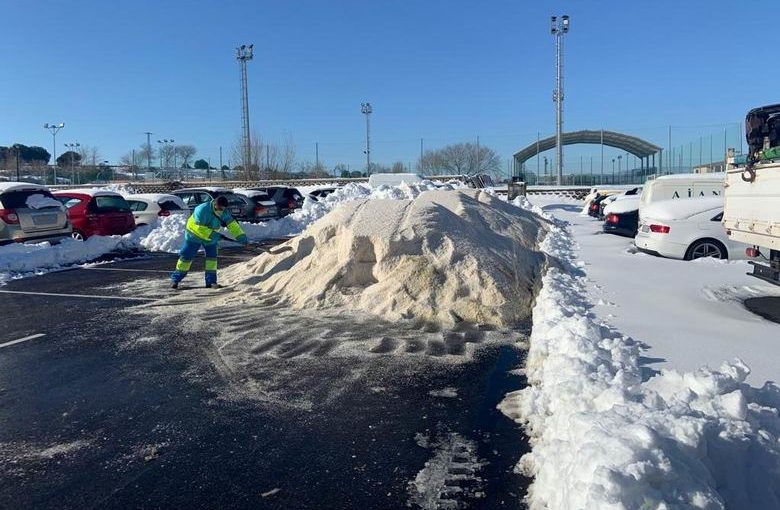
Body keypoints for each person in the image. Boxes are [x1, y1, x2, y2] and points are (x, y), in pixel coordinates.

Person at [170, 195, 248, 289]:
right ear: (215, 204)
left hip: (211, 238)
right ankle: (175, 280)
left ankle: (211, 282)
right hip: (194, 235)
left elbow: (232, 224)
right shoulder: (202, 209)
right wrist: (214, 235)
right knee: (186, 257)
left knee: (212, 259)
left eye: (223, 209)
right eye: (219, 208)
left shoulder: (224, 212)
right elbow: (199, 228)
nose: (221, 211)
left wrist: (241, 237)